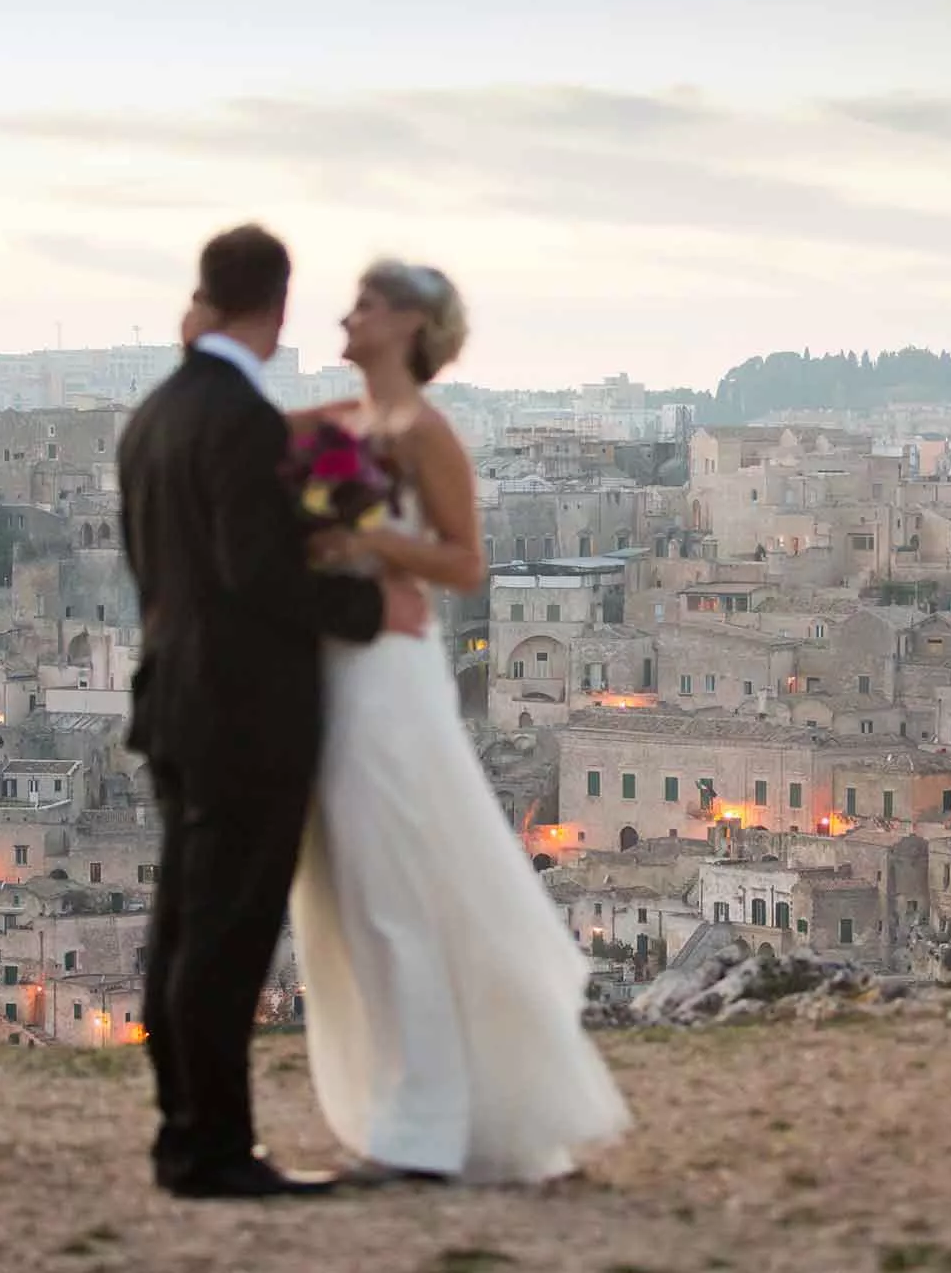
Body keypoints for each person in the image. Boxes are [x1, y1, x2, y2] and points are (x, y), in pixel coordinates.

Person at [190, 258, 632, 1184]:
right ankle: (413, 1115)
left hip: (389, 669)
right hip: (333, 664)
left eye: (366, 305)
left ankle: (423, 1133)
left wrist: (365, 538)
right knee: (357, 892)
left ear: (407, 327)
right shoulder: (342, 423)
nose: (346, 317)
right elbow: (248, 433)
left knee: (397, 890)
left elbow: (467, 563)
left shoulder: (426, 432)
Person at [118, 225, 430, 1200]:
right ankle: (210, 1150)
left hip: (173, 698)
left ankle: (184, 1134)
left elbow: (160, 570)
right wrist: (368, 605)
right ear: (280, 307)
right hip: (242, 714)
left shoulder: (153, 416)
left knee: (183, 926)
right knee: (225, 934)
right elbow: (255, 574)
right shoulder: (243, 423)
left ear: (206, 294)